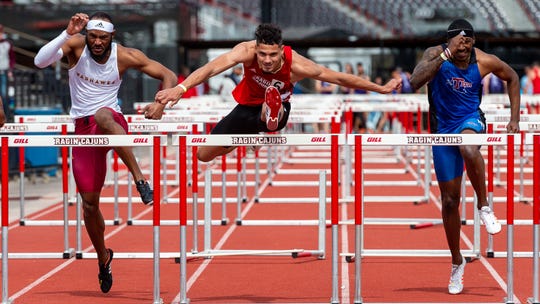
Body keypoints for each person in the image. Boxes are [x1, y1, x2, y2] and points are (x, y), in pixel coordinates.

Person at [34, 12, 177, 293]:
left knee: (103, 115)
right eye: (92, 36)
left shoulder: (125, 56)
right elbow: (40, 61)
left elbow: (168, 75)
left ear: (112, 37)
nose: (97, 42)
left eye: (103, 37)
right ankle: (103, 256)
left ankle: (140, 180)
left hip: (111, 121)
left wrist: (161, 102)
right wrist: (67, 32)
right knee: (89, 203)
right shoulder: (75, 46)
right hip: (82, 129)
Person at [146, 23, 401, 162]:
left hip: (278, 111)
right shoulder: (245, 52)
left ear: (281, 50)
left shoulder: (296, 64)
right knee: (202, 155)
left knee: (271, 114)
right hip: (246, 107)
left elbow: (339, 77)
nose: (267, 60)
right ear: (256, 50)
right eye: (262, 54)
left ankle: (270, 114)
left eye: (272, 55)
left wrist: (380, 88)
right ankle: (250, 134)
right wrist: (181, 88)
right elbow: (212, 68)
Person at [409, 19, 520, 295]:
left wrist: (514, 118)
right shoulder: (435, 54)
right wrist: (444, 56)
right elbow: (413, 82)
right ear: (449, 41)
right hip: (442, 130)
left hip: (470, 120)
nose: (464, 49)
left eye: (468, 44)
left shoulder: (483, 61)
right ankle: (457, 261)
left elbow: (513, 78)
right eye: (459, 44)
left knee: (469, 147)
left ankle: (484, 206)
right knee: (449, 200)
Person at [0, 24, 15, 107]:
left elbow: (12, 58)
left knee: (4, 93)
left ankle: (6, 113)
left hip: (4, 71)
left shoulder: (7, 44)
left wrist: (10, 70)